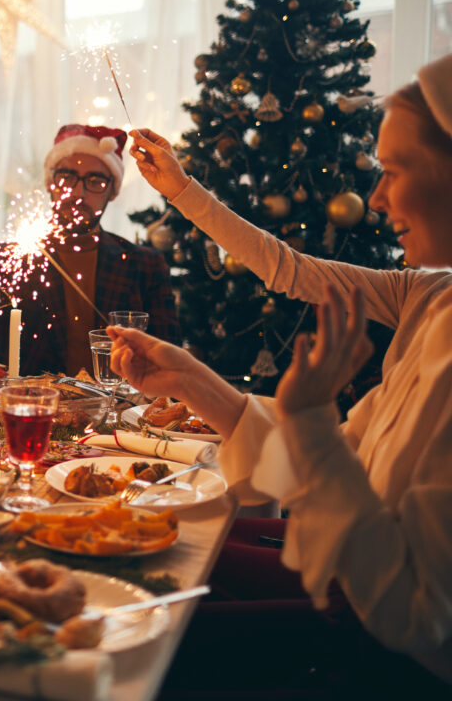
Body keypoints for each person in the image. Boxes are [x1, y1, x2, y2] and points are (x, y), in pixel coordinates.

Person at [113, 51, 452, 692]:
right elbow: (289, 269)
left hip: (384, 660)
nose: (374, 199)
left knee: (136, 632)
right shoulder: (428, 297)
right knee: (143, 562)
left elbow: (413, 616)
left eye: (393, 171)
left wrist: (309, 419)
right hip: (342, 589)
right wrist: (188, 377)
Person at [0, 124, 179, 376]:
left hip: (122, 410)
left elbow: (170, 359)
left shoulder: (145, 266)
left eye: (95, 180)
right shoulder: (8, 258)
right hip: (30, 407)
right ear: (51, 183)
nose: (77, 192)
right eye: (67, 177)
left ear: (112, 191)